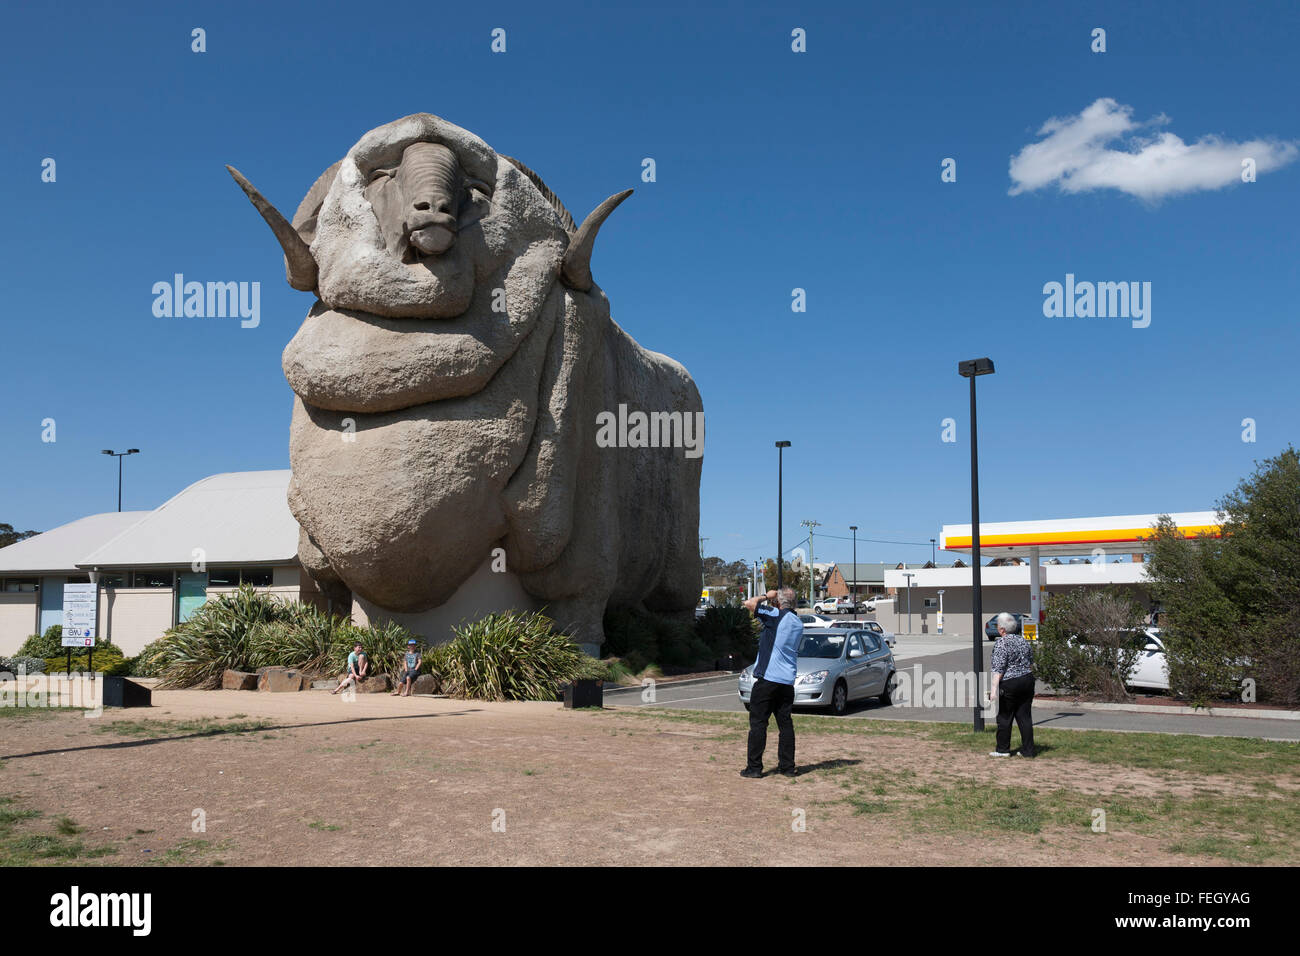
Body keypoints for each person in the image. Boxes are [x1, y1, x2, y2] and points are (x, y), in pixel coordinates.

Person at [739, 586, 804, 778]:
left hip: (768, 679)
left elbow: (749, 604)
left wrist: (767, 596)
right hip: (787, 681)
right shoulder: (798, 623)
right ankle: (787, 767)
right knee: (785, 724)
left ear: (778, 602)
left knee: (758, 723)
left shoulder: (776, 615)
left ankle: (754, 768)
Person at [986, 611, 1036, 757]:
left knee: (1004, 717)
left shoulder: (1001, 643)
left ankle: (1002, 749)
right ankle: (1028, 750)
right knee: (1024, 717)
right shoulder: (1023, 641)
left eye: (997, 626)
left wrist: (993, 690)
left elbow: (998, 669)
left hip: (1010, 683)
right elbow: (1031, 661)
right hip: (1027, 680)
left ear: (1002, 629)